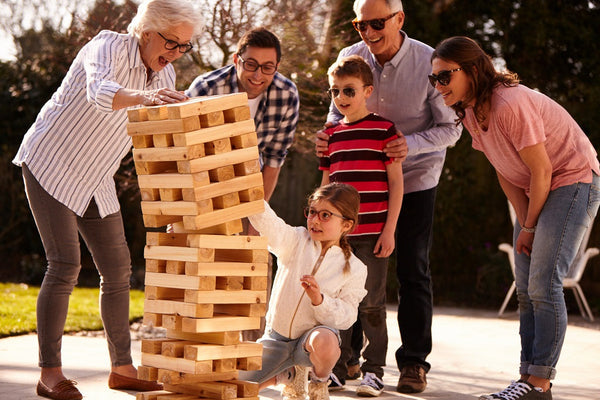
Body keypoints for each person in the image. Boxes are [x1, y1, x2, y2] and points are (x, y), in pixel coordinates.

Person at [12, 1, 202, 399]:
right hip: (51, 160)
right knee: (64, 264)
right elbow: (100, 93)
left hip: (95, 177)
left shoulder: (164, 72)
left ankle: (122, 368)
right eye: (171, 42)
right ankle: (50, 374)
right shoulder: (107, 47)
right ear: (148, 30)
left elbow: (157, 143)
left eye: (184, 47)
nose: (175, 53)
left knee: (118, 271)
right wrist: (146, 99)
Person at [430, 35, 600, 400]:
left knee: (543, 283)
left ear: (473, 70)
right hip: (537, 191)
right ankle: (525, 380)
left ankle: (540, 382)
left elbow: (542, 170)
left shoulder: (509, 102)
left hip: (572, 180)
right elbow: (504, 171)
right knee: (525, 290)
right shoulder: (472, 111)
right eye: (434, 79)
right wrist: (526, 224)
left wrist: (530, 225)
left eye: (445, 76)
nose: (438, 86)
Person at [316, 0, 462, 393]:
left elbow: (451, 129)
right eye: (361, 24)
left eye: (377, 22)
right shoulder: (351, 56)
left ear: (400, 19)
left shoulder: (429, 62)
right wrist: (327, 134)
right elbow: (336, 114)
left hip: (412, 178)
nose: (369, 31)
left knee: (412, 269)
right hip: (357, 190)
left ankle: (413, 363)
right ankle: (349, 362)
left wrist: (403, 145)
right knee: (348, 275)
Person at [319, 55, 403, 397]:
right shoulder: (330, 136)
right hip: (339, 239)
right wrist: (320, 224)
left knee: (371, 305)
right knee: (337, 303)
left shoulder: (385, 131)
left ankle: (374, 371)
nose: (341, 97)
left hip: (374, 235)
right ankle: (338, 367)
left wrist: (390, 230)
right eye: (335, 90)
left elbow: (396, 184)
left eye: (348, 90)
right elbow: (325, 186)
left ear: (367, 91)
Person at [238, 183, 368, 400]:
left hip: (311, 346)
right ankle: (287, 376)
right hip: (276, 340)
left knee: (325, 340)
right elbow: (270, 225)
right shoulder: (296, 240)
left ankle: (318, 381)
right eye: (312, 212)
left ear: (346, 224)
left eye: (325, 215)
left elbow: (347, 316)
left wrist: (320, 300)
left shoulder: (356, 268)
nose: (315, 220)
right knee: (235, 389)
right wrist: (250, 193)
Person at [186, 27, 299, 202]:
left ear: (277, 67)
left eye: (267, 67)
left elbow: (274, 158)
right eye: (251, 64)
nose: (257, 75)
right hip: (200, 184)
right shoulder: (206, 89)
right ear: (236, 60)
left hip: (248, 185)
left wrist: (257, 217)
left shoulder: (287, 95)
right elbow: (182, 153)